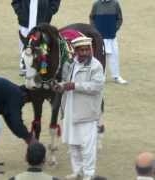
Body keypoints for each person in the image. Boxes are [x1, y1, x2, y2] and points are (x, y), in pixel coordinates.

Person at [57, 36, 105, 180]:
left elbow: (97, 87)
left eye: (87, 49)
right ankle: (77, 171)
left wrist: (75, 86)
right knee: (73, 144)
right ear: (76, 51)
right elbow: (66, 82)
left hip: (87, 112)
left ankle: (89, 174)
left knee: (87, 146)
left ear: (90, 50)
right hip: (70, 110)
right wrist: (60, 86)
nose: (84, 52)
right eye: (81, 50)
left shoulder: (95, 66)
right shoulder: (71, 64)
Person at [11, 0, 61, 73]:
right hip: (25, 22)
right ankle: (24, 66)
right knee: (25, 44)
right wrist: (20, 12)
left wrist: (50, 11)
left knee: (43, 44)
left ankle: (43, 68)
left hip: (43, 20)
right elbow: (15, 2)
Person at [89, 0, 128, 84]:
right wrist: (95, 30)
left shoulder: (115, 4)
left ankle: (116, 76)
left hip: (111, 36)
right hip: (99, 37)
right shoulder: (96, 4)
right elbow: (92, 18)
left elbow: (119, 18)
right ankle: (100, 76)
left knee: (114, 56)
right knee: (100, 56)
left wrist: (114, 29)